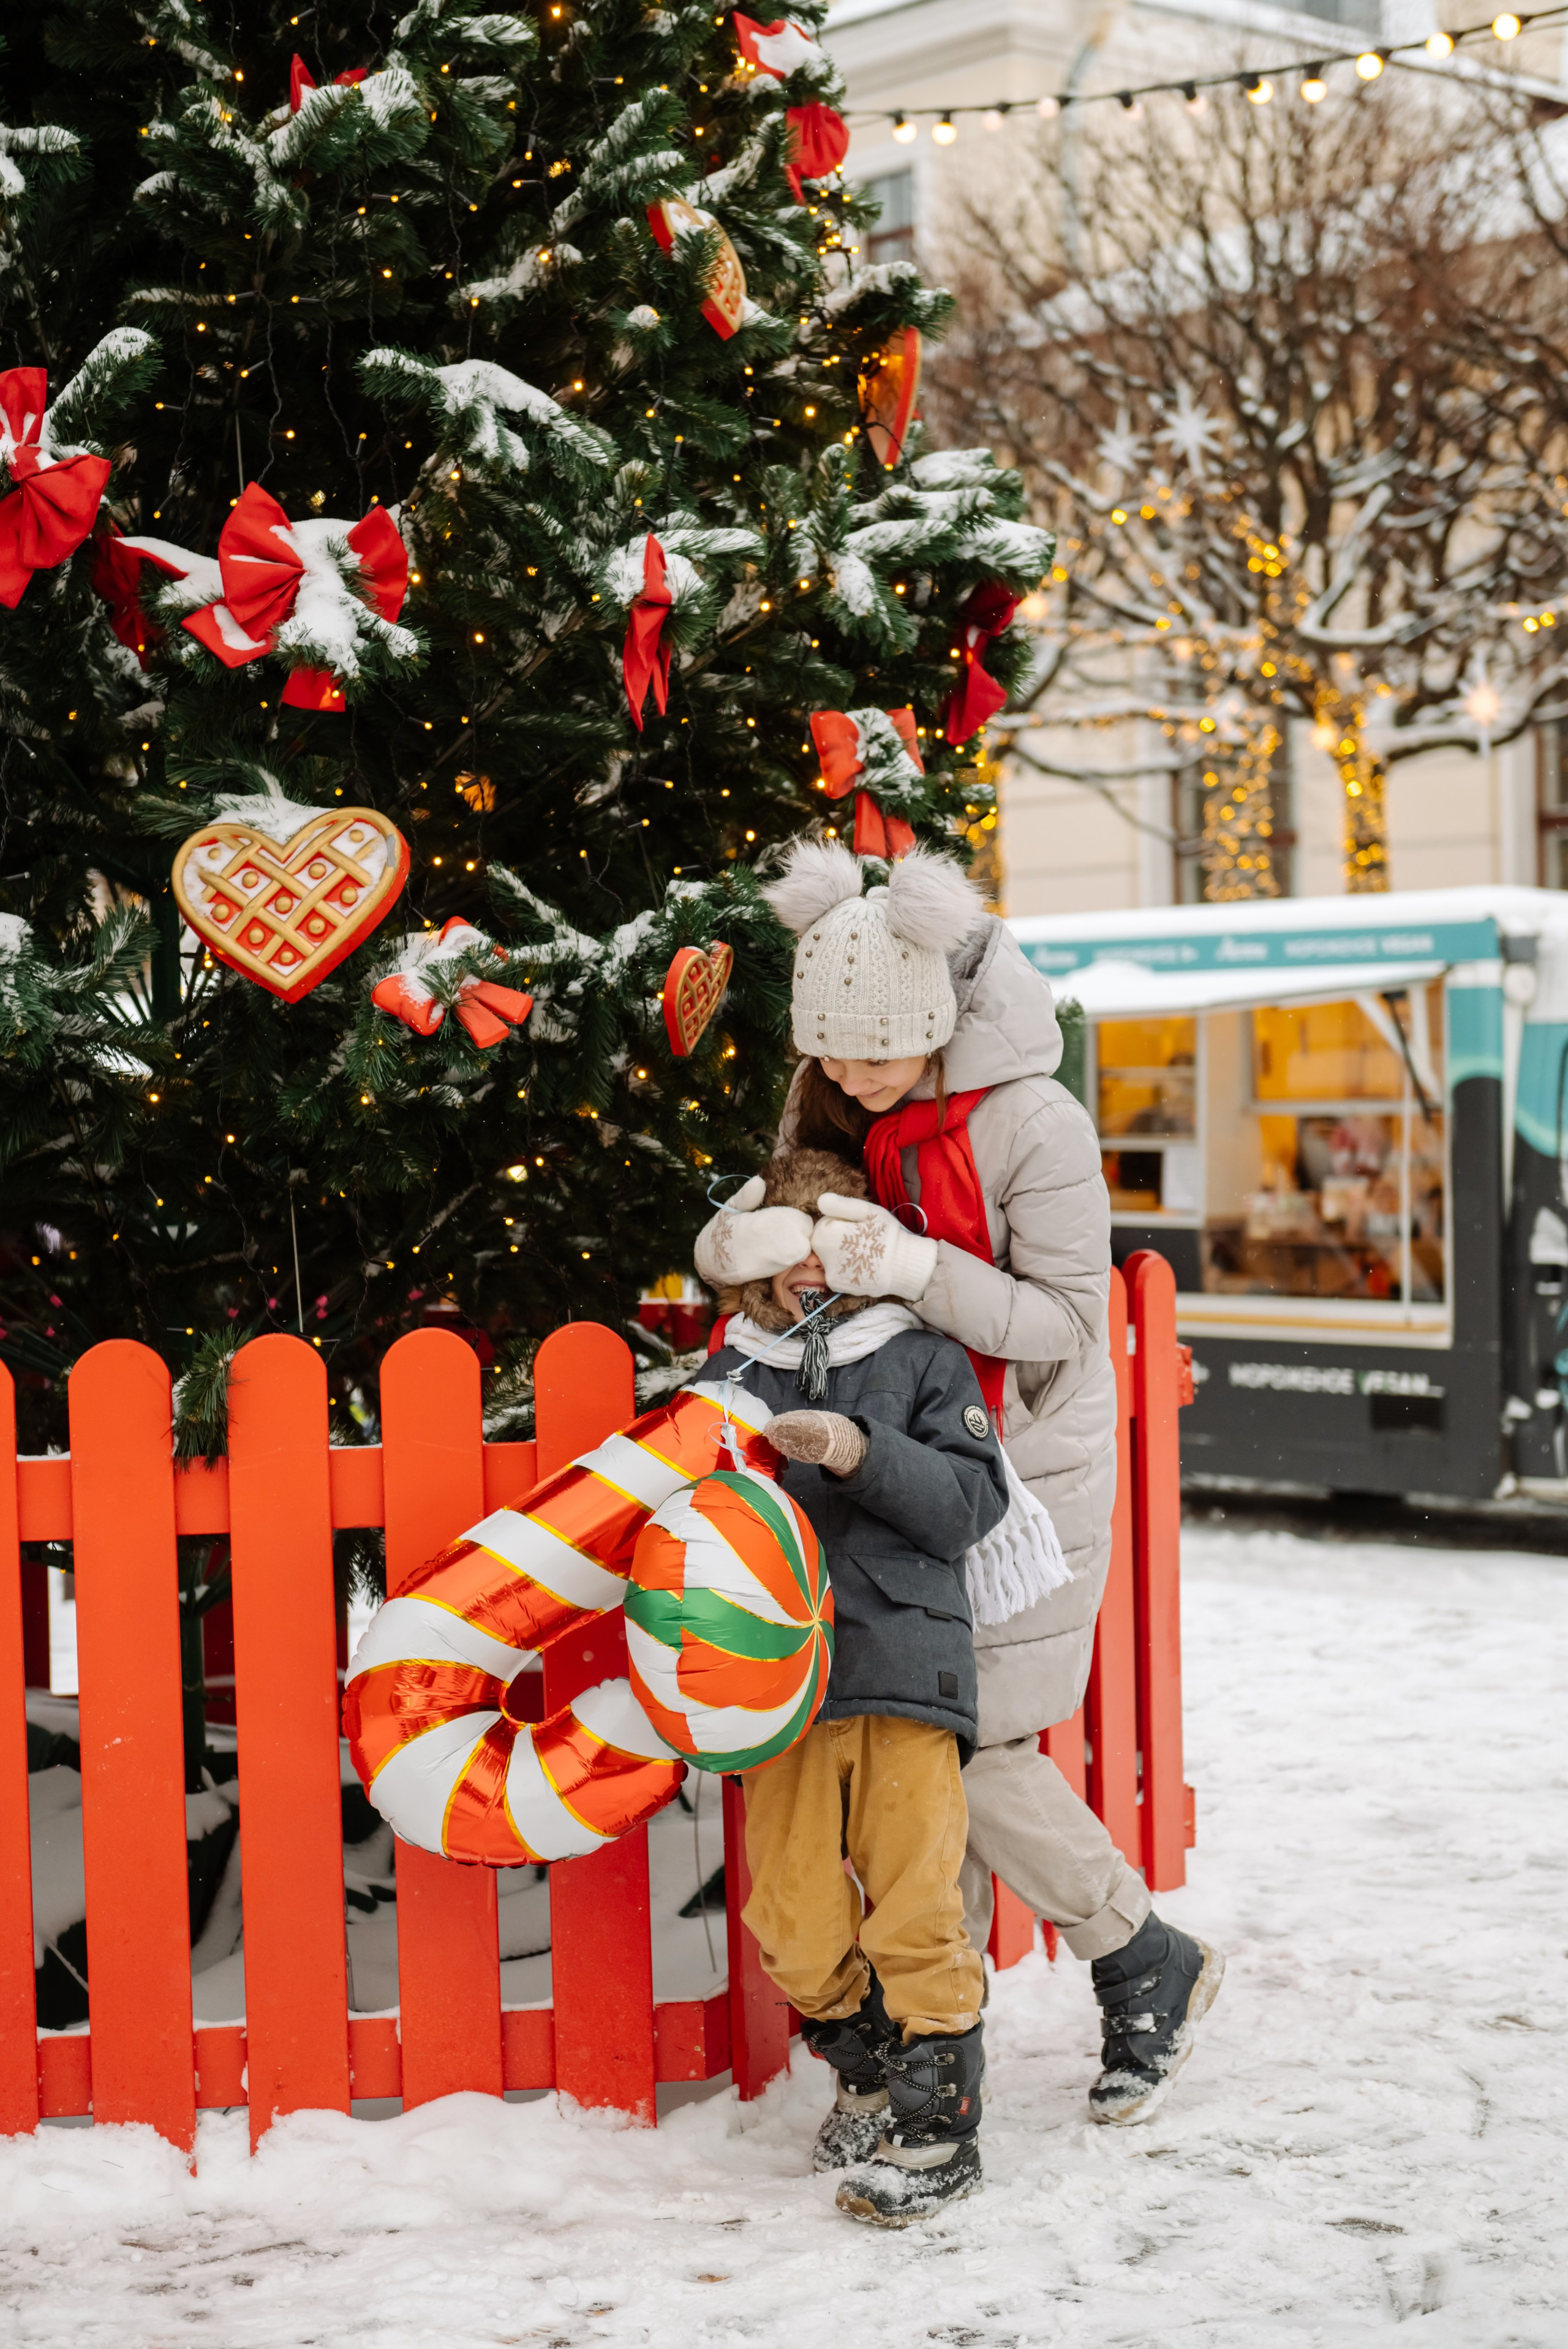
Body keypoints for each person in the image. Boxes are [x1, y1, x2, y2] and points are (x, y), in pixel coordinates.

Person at [696, 840, 1223, 2127]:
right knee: (908, 1750)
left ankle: (1134, 1954)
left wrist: (911, 1268)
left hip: (1017, 1469)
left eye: (878, 1054)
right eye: (831, 1055)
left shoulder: (1034, 1123)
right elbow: (791, 1249)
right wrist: (746, 1252)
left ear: (936, 1018)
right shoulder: (830, 1098)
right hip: (881, 1462)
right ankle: (933, 2049)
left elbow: (1065, 1325)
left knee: (968, 1746)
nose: (853, 1079)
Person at [704, 1144, 1009, 2225]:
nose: (808, 1268)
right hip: (781, 1684)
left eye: (827, 1242)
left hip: (902, 1664)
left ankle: (939, 2131)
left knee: (917, 1903)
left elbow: (968, 1505)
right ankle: (870, 2068)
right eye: (787, 1243)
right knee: (790, 1917)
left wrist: (856, 1448)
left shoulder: (922, 1358)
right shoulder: (729, 1371)